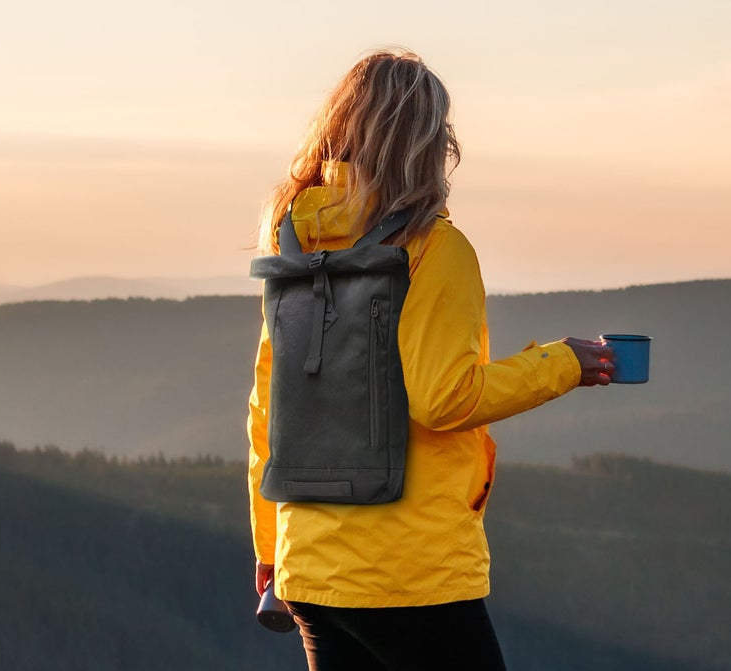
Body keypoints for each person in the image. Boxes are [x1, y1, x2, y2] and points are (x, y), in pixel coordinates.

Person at [246, 48, 615, 671]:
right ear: (426, 144)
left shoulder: (295, 243)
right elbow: (445, 399)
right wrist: (566, 364)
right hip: (408, 571)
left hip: (309, 566)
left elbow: (268, 412)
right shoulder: (433, 249)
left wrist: (269, 545)